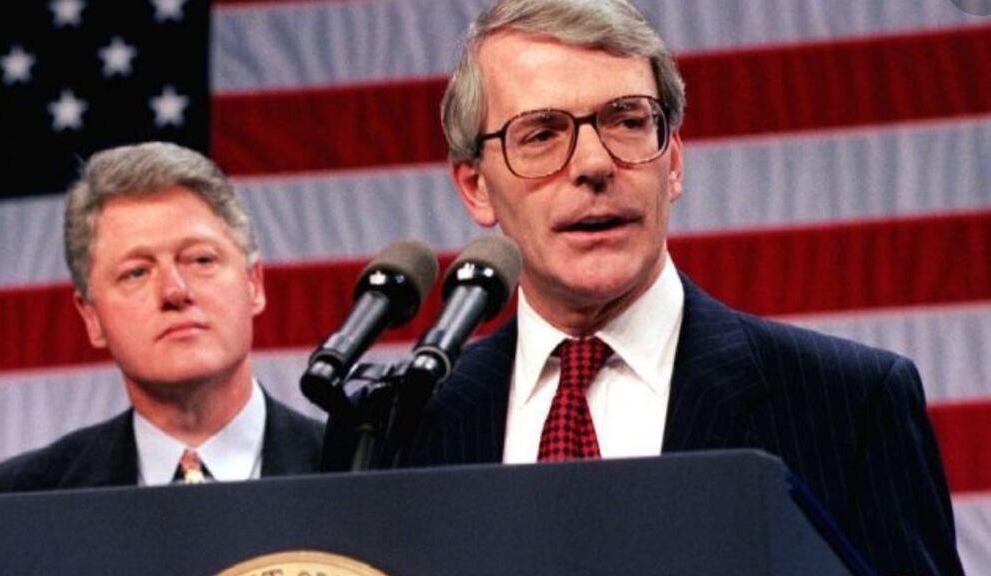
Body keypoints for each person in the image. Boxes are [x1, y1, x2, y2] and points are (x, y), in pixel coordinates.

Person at [405, 1, 964, 574]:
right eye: (542, 133)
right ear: (476, 188)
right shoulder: (406, 426)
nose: (594, 163)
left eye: (627, 121)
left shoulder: (848, 406)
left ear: (672, 162)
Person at [0, 142, 324, 493]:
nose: (174, 291)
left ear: (254, 285)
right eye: (136, 272)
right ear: (91, 316)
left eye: (200, 260)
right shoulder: (4, 505)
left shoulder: (351, 476)